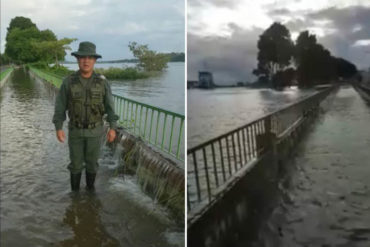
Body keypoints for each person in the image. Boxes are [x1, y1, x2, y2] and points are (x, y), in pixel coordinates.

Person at [52, 41, 118, 192]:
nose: (86, 61)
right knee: (75, 165)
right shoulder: (68, 82)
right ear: (77, 59)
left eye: (89, 58)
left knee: (92, 164)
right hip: (75, 131)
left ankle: (90, 192)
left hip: (95, 132)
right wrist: (58, 127)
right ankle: (75, 196)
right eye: (82, 57)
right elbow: (60, 106)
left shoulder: (102, 82)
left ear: (94, 60)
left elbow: (110, 107)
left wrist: (113, 128)